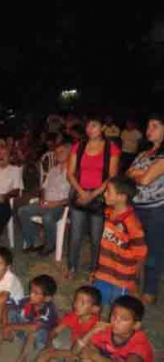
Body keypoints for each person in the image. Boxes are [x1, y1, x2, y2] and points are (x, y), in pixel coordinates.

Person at [66, 117, 120, 279]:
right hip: (79, 193)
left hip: (99, 197)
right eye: (88, 125)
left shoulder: (111, 148)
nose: (90, 129)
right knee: (75, 235)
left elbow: (111, 177)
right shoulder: (79, 146)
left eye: (94, 125)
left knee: (97, 237)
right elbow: (70, 173)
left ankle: (94, 269)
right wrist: (82, 192)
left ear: (103, 127)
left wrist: (92, 194)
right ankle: (72, 267)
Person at [127, 115, 164, 305]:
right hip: (135, 206)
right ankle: (133, 281)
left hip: (156, 210)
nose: (150, 130)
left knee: (153, 251)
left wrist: (137, 174)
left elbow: (146, 180)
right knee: (135, 248)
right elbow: (128, 174)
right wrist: (138, 174)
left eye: (155, 126)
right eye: (148, 126)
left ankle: (150, 289)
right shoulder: (143, 154)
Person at [93, 176, 147, 306]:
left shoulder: (132, 224)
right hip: (104, 272)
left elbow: (141, 253)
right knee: (97, 302)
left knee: (118, 307)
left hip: (122, 278)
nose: (104, 194)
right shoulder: (108, 213)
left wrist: (134, 281)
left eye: (108, 191)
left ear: (121, 197)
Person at [18, 143, 71, 256]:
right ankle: (33, 242)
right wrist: (42, 199)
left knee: (47, 217)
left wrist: (56, 203)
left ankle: (50, 245)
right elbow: (44, 188)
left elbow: (72, 197)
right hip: (45, 202)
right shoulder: (53, 170)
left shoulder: (73, 172)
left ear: (69, 153)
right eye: (56, 152)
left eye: (61, 151)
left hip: (60, 205)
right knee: (23, 211)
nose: (58, 154)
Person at [73, 296, 154, 362]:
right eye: (114, 316)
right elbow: (75, 351)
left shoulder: (140, 343)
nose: (116, 321)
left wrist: (96, 357)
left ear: (136, 325)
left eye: (124, 319)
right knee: (86, 358)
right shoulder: (105, 331)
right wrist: (91, 332)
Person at [0, 275, 59, 362]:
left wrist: (10, 326)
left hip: (40, 339)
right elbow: (7, 305)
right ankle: (15, 337)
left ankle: (23, 357)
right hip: (25, 331)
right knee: (10, 311)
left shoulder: (49, 310)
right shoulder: (28, 299)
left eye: (36, 293)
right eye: (31, 290)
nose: (31, 294)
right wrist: (6, 324)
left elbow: (34, 327)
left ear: (47, 298)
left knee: (33, 331)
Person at [36, 285, 101, 362]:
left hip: (82, 352)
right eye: (76, 300)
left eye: (82, 303)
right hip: (72, 347)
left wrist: (70, 355)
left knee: (47, 354)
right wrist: (49, 345)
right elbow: (54, 331)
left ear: (94, 309)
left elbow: (89, 351)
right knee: (45, 352)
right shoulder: (73, 316)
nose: (76, 305)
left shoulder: (96, 325)